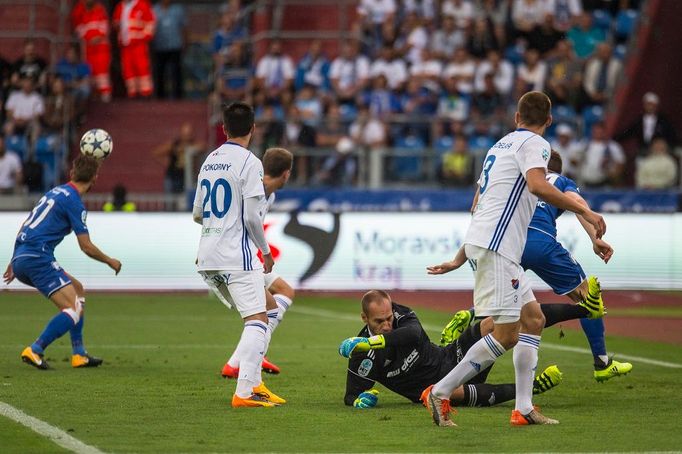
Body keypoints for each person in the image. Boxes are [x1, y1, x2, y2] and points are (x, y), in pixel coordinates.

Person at [424, 91, 606, 427]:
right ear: (548, 121)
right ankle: (440, 391)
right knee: (506, 334)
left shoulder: (498, 147)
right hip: (498, 247)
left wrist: (459, 257)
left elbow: (479, 204)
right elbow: (538, 186)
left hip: (489, 243)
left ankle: (523, 409)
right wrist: (584, 209)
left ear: (516, 117)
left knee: (533, 320)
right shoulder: (535, 145)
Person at [192, 102, 284, 408]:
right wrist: (266, 253)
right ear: (253, 129)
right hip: (237, 255)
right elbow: (251, 218)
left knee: (269, 309)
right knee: (258, 319)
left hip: (207, 253)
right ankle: (244, 392)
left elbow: (197, 213)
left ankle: (255, 383)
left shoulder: (209, 160)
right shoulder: (250, 162)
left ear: (223, 128)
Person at [340, 290, 566, 410]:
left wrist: (372, 341)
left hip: (449, 357)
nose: (387, 324)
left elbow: (414, 334)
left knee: (496, 321)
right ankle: (530, 389)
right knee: (449, 393)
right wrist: (359, 401)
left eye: (388, 318)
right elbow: (351, 394)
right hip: (434, 388)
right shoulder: (361, 354)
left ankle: (583, 310)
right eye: (379, 321)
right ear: (364, 318)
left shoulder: (399, 314)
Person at [519, 150, 632, 381]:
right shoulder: (560, 181)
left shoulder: (521, 178)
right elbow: (576, 203)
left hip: (509, 244)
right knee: (587, 296)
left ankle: (470, 318)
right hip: (541, 243)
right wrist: (595, 237)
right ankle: (601, 363)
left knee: (503, 307)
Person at [2, 155, 122, 369]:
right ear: (95, 178)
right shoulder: (74, 202)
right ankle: (35, 349)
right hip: (37, 257)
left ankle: (79, 354)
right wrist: (109, 260)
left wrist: (14, 258)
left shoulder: (55, 192)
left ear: (72, 173)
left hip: (22, 255)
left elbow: (26, 224)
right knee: (72, 308)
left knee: (78, 289)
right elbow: (86, 246)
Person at [221, 147, 295, 378]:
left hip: (248, 257)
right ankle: (244, 360)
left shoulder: (269, 195)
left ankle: (249, 355)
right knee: (265, 311)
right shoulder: (250, 189)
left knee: (285, 291)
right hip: (235, 259)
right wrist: (265, 252)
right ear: (287, 174)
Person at [113, 0, 156, 98]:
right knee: (128, 70)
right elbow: (116, 21)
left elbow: (150, 23)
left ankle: (146, 94)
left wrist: (144, 36)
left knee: (142, 68)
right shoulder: (120, 6)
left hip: (139, 44)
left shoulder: (142, 5)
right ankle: (132, 93)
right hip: (125, 45)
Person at [71, 0, 112, 102]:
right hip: (88, 48)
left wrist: (98, 37)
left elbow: (105, 26)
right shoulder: (81, 11)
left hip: (101, 47)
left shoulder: (100, 10)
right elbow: (78, 27)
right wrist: (87, 38)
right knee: (90, 71)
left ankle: (105, 94)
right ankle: (93, 95)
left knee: (102, 71)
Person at [152, 122, 205, 194]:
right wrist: (167, 163)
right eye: (185, 134)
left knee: (184, 201)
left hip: (186, 178)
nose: (187, 137)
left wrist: (191, 149)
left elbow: (203, 147)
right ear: (181, 134)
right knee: (170, 201)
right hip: (172, 177)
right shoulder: (174, 145)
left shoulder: (194, 144)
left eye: (189, 134)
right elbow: (157, 153)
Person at [152, 0, 187, 99]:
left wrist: (185, 43)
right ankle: (160, 97)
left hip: (175, 46)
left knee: (176, 73)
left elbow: (183, 28)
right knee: (159, 73)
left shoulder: (178, 9)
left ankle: (178, 97)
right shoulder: (154, 10)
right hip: (159, 47)